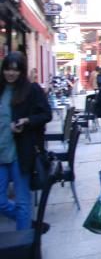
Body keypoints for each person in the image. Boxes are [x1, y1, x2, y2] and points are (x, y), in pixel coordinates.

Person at [0, 51, 52, 230]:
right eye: (7, 69)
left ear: (22, 71)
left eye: (15, 70)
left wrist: (27, 120)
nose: (11, 73)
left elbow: (46, 114)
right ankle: (29, 223)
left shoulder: (31, 90)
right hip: (1, 151)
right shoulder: (1, 90)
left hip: (21, 152)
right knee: (1, 202)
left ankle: (24, 241)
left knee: (22, 201)